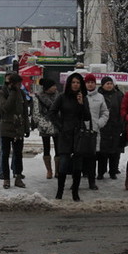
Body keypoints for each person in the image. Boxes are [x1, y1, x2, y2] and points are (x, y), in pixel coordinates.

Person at [47, 72, 91, 201]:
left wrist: (81, 103)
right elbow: (52, 113)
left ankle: (75, 193)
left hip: (78, 135)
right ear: (69, 84)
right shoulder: (62, 97)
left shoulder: (83, 97)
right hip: (65, 134)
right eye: (73, 82)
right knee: (64, 164)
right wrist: (60, 126)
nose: (76, 85)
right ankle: (59, 192)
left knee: (77, 165)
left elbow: (87, 117)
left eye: (78, 82)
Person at [0, 73, 29, 189]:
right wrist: (12, 93)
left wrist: (27, 127)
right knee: (5, 154)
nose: (19, 86)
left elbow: (25, 112)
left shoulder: (22, 94)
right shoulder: (2, 92)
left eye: (20, 84)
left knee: (18, 154)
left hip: (18, 128)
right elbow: (5, 108)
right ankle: (6, 178)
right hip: (6, 127)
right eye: (17, 84)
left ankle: (18, 177)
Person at [83, 74, 109, 191]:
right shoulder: (80, 96)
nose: (90, 84)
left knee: (92, 157)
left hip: (94, 131)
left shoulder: (100, 97)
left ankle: (92, 182)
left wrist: (99, 123)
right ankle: (77, 180)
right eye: (88, 82)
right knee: (79, 157)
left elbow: (105, 112)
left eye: (92, 82)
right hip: (81, 131)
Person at [97, 76, 125, 180]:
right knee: (102, 152)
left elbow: (122, 110)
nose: (109, 85)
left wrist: (121, 124)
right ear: (102, 85)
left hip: (115, 127)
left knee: (115, 151)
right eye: (107, 83)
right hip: (102, 127)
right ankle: (101, 172)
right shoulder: (98, 95)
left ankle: (113, 171)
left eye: (110, 83)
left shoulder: (118, 95)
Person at [33, 78, 59, 179]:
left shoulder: (58, 96)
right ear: (48, 88)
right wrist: (45, 125)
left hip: (57, 125)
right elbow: (36, 114)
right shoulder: (39, 98)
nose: (55, 88)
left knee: (58, 148)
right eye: (53, 86)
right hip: (45, 126)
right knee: (46, 148)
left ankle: (58, 170)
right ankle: (49, 170)